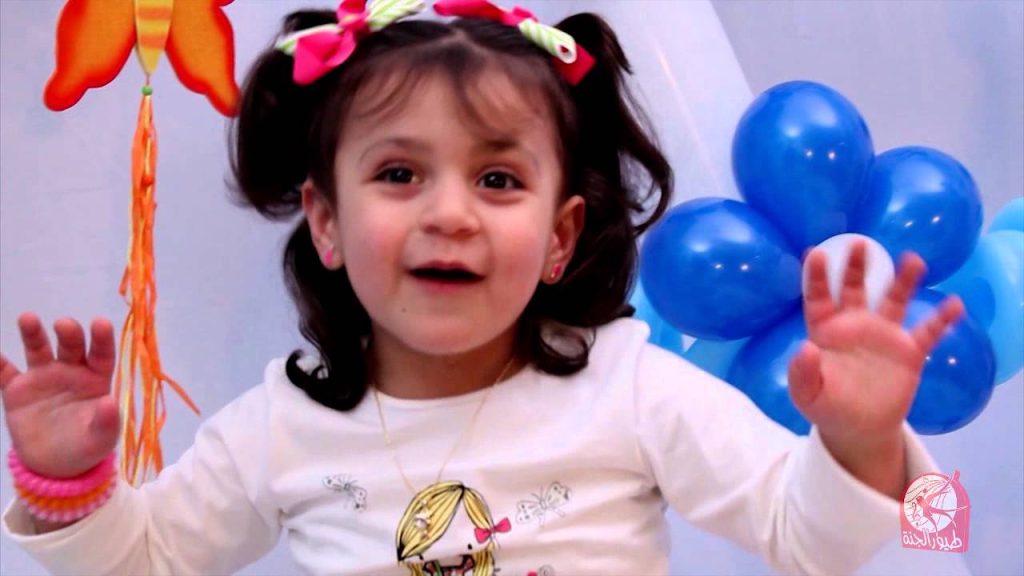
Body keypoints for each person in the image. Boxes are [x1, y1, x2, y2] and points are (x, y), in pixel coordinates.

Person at [0, 0, 965, 574]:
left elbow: (808, 539)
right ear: (326, 222)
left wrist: (859, 436)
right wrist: (66, 487)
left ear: (560, 235)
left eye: (498, 179)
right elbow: (146, 561)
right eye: (399, 174)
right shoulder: (281, 425)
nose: (451, 213)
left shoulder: (631, 388)